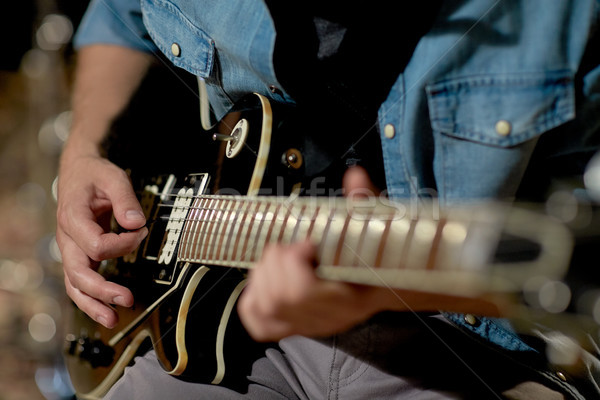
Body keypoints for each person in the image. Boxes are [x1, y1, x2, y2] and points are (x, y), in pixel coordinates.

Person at [57, 0, 600, 399]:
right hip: (232, 321)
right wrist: (83, 151)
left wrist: (380, 292)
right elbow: (117, 16)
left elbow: (575, 274)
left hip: (484, 353)